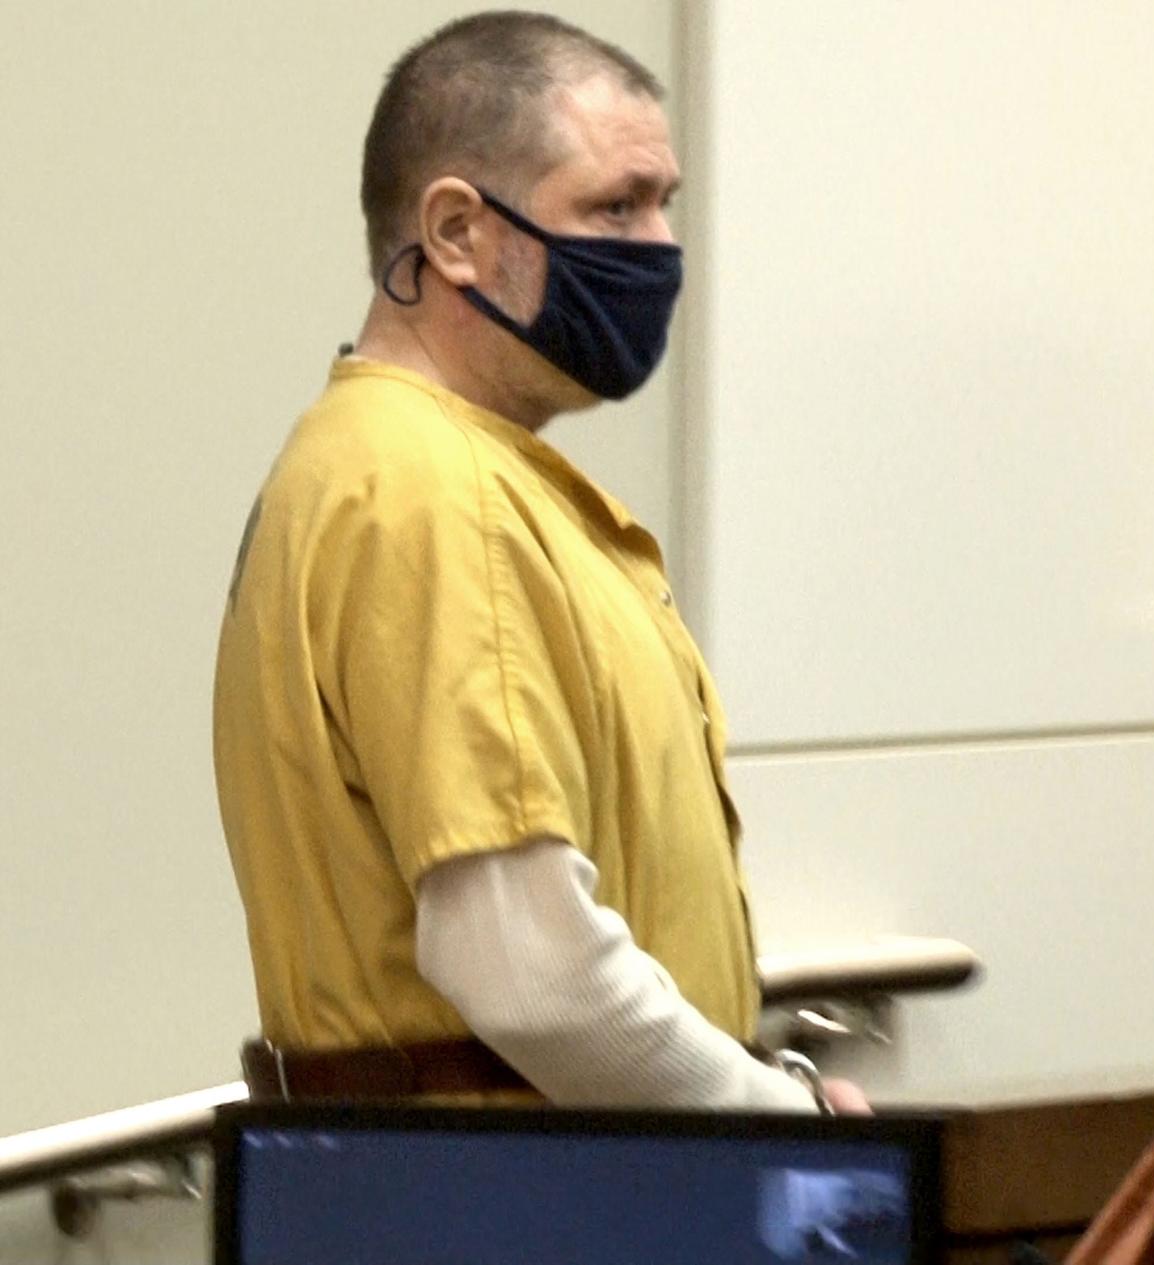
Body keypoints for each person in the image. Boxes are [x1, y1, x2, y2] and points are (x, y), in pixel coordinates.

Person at [214, 10, 867, 1115]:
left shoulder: (392, 467)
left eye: (664, 204)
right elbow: (533, 975)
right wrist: (782, 1128)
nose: (658, 247)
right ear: (457, 231)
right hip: (507, 1201)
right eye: (614, 204)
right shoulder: (435, 495)